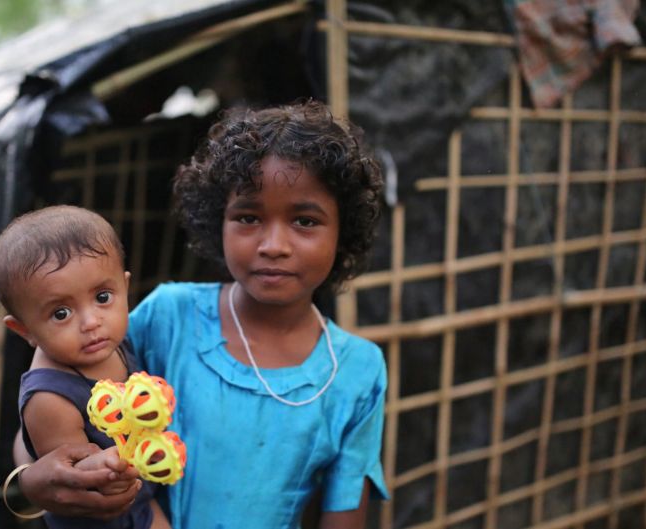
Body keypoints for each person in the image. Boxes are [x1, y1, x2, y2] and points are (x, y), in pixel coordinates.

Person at [19, 100, 389, 528]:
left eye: (305, 221)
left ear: (344, 231)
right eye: (248, 217)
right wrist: (34, 478)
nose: (274, 244)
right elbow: (55, 404)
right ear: (219, 220)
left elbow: (344, 513)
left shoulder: (356, 371)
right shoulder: (169, 318)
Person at [0, 205, 169, 529]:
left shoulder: (113, 343)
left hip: (141, 503)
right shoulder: (50, 399)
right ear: (24, 330)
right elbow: (78, 475)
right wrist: (114, 463)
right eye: (61, 313)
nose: (91, 323)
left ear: (125, 289)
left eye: (102, 297)